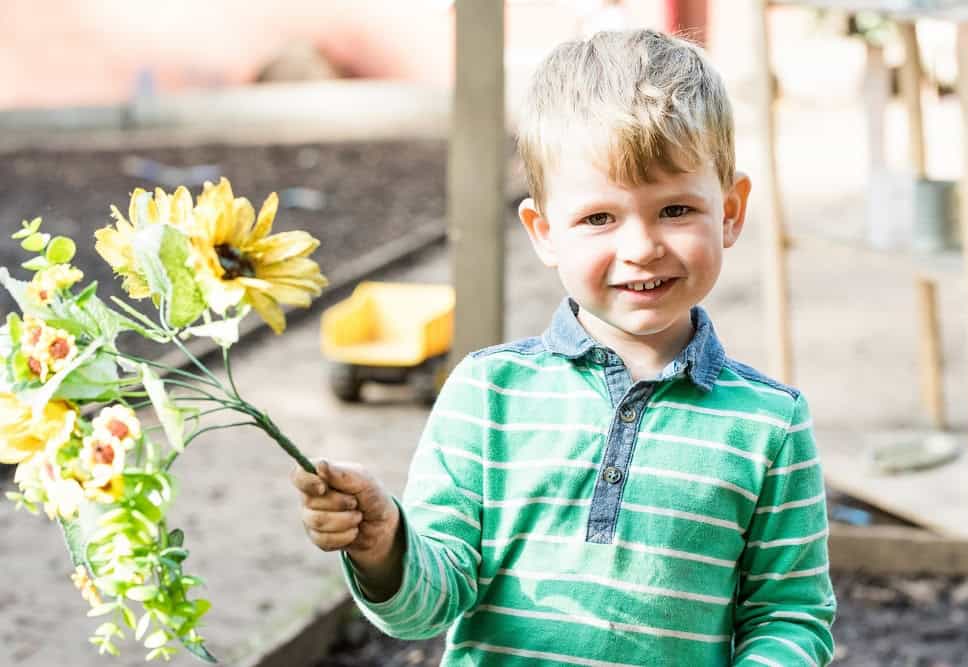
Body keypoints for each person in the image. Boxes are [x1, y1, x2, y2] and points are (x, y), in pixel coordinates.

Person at [292, 29, 836, 665]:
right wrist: (385, 543)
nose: (641, 247)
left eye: (676, 210)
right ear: (544, 233)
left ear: (731, 211)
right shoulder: (486, 395)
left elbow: (791, 616)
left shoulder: (769, 423)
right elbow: (424, 609)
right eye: (599, 218)